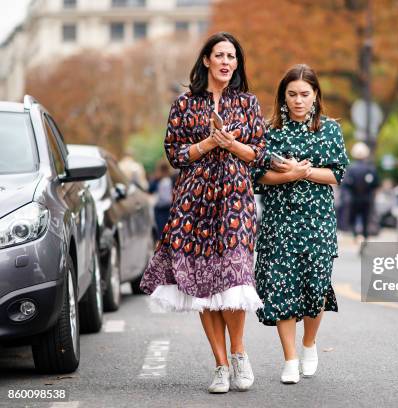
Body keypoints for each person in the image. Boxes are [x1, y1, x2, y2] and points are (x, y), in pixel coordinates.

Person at [139, 32, 266, 394]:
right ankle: (221, 365)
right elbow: (175, 155)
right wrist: (209, 143)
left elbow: (259, 153)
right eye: (220, 55)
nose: (227, 61)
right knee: (204, 285)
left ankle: (239, 352)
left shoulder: (247, 103)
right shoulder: (184, 104)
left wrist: (232, 144)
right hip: (194, 202)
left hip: (236, 199)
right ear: (207, 61)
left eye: (232, 56)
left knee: (236, 275)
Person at [251, 64, 349, 384]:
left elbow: (337, 174)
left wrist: (305, 172)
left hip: (317, 221)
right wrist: (288, 174)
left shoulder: (330, 130)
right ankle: (289, 358)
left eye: (305, 94)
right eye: (292, 94)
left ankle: (309, 344)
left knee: (315, 287)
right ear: (283, 96)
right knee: (283, 289)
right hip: (279, 221)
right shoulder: (269, 131)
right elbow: (257, 177)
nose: (298, 100)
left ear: (316, 95)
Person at [343, 142, 379, 242]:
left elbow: (346, 184)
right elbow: (375, 184)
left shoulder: (350, 168)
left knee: (354, 219)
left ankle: (355, 235)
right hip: (367, 198)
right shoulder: (370, 168)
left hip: (354, 198)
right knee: (366, 218)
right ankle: (365, 237)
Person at [148, 160, 176, 235]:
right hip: (171, 207)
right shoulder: (172, 178)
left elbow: (150, 190)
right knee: (170, 229)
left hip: (161, 208)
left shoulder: (158, 179)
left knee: (162, 230)